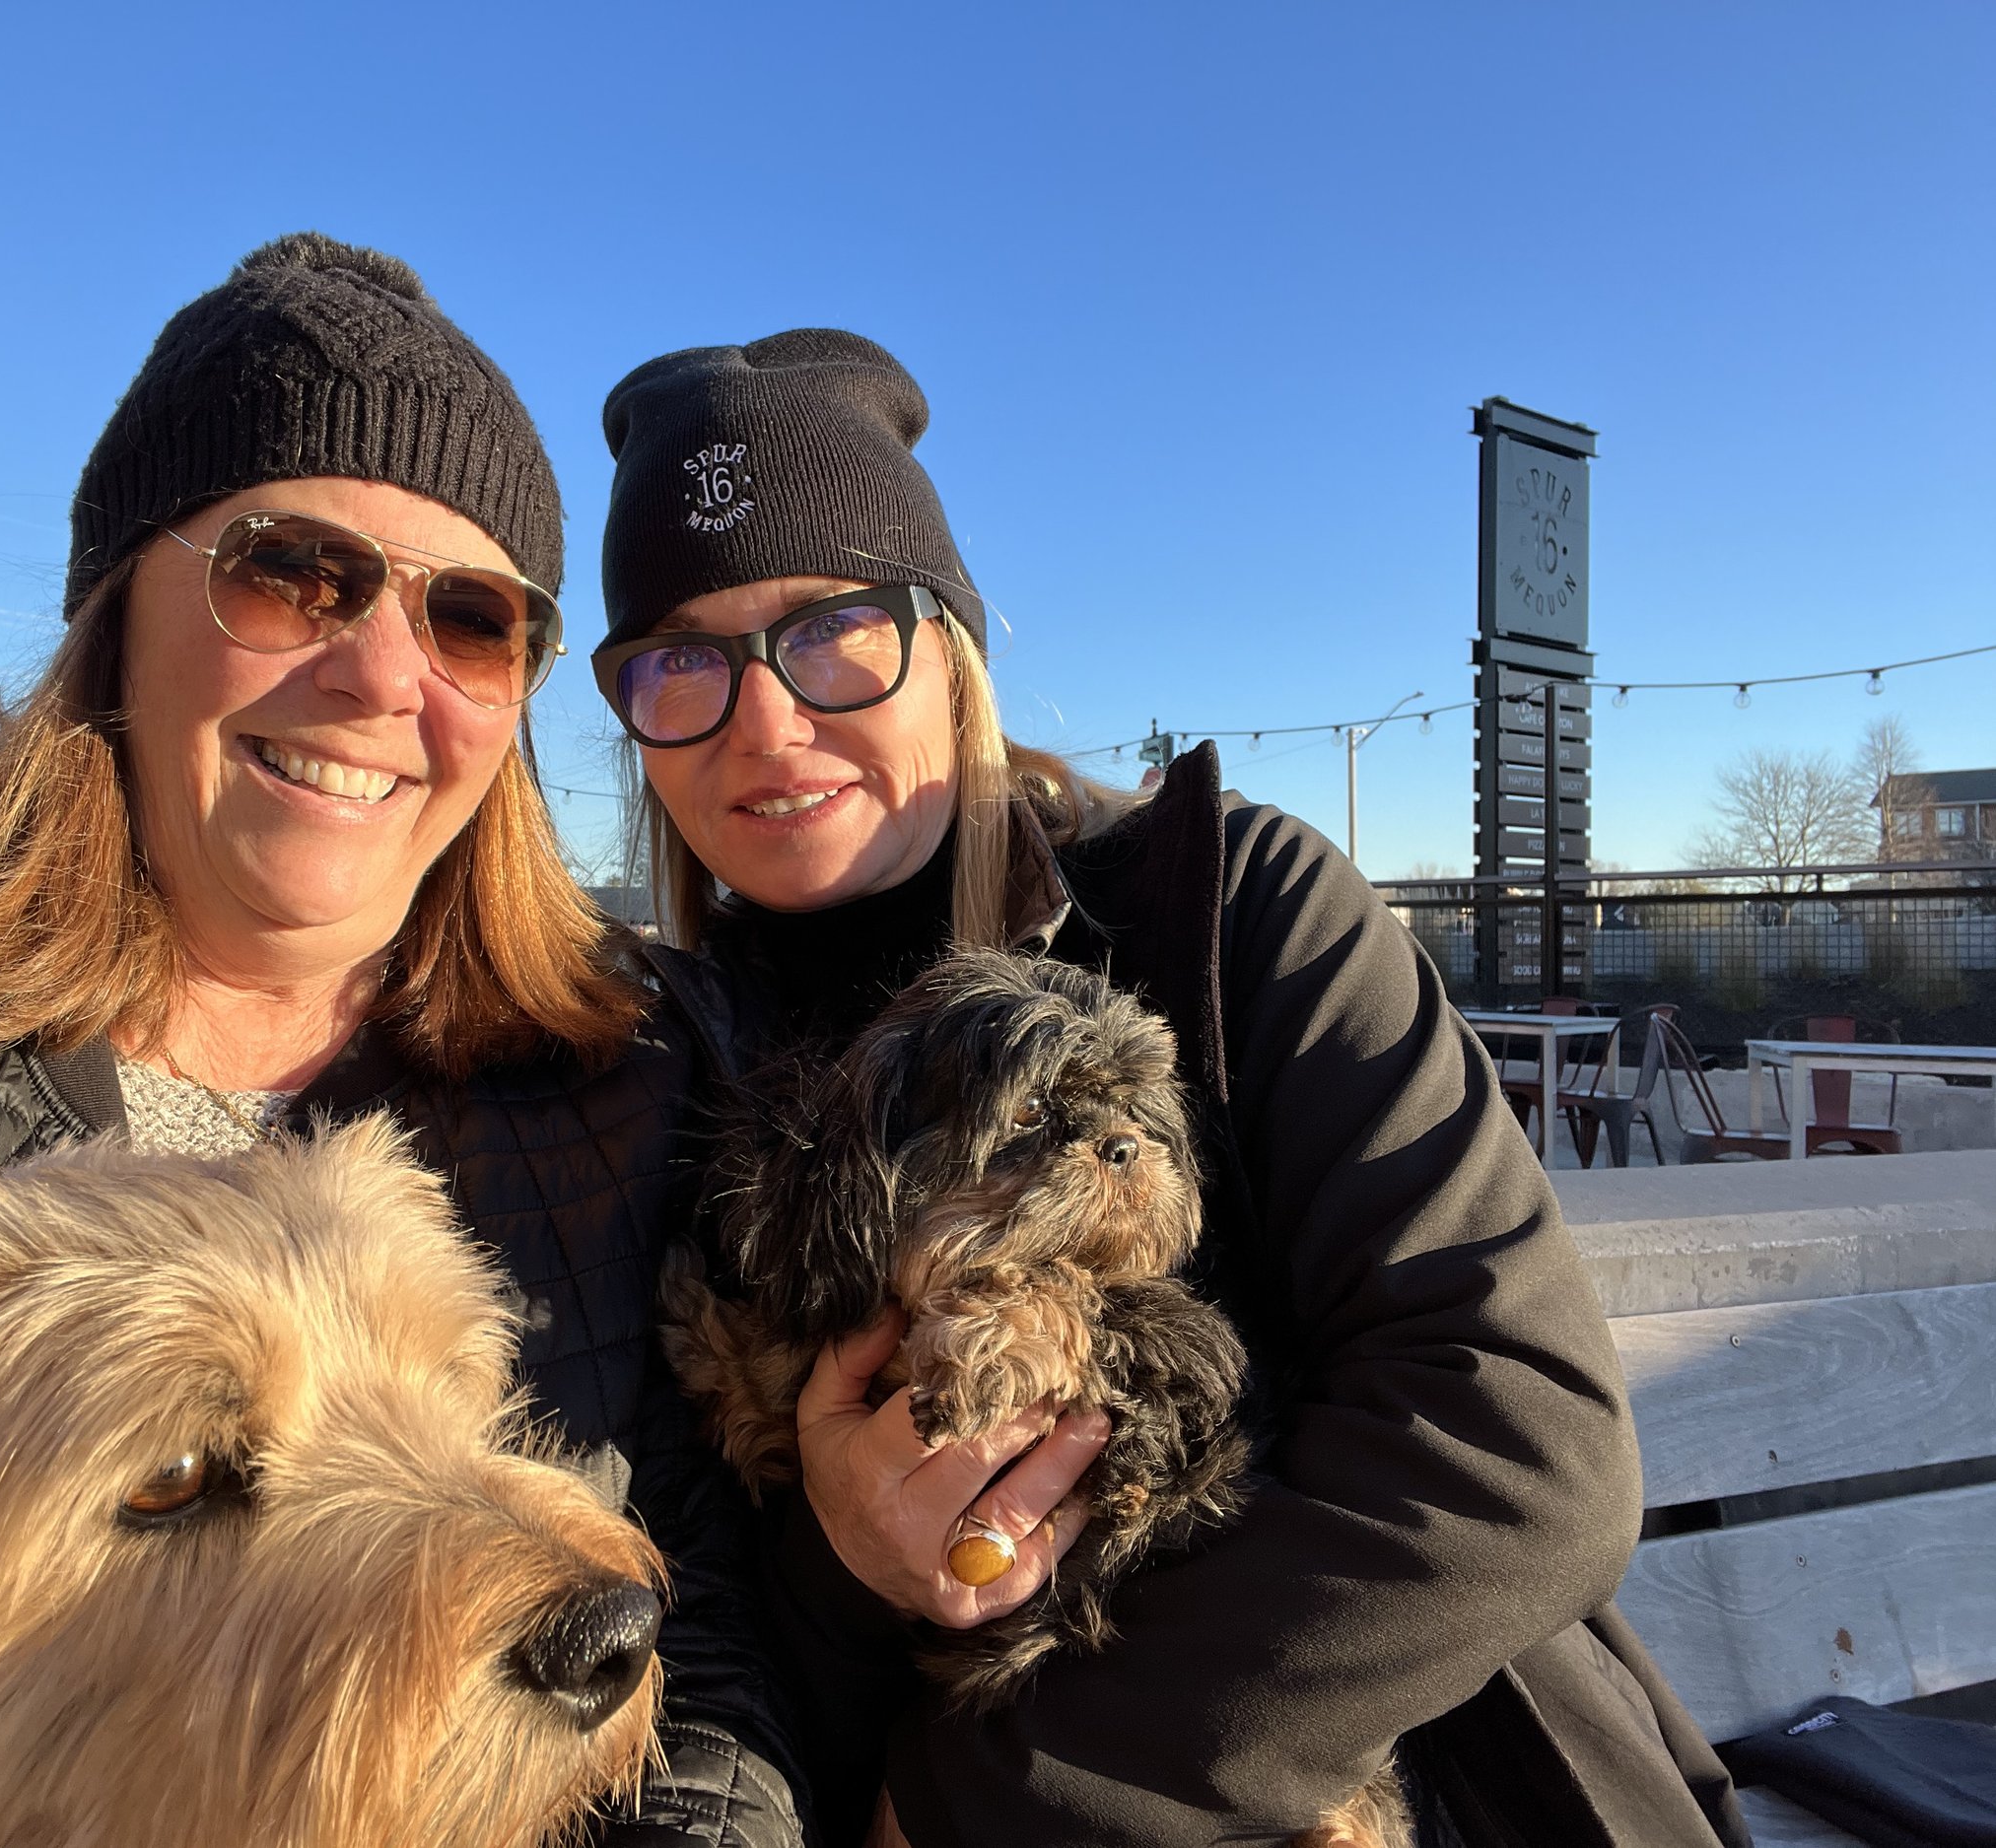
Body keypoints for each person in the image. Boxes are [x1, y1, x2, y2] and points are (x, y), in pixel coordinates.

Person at [0, 236, 803, 1848]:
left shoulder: (616, 1067)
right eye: (295, 573)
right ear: (117, 604)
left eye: (474, 620)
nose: (382, 675)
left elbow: (681, 1638)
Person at [590, 328, 1751, 1848]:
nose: (763, 718)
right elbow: (708, 1599)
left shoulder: (1235, 914)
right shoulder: (652, 1071)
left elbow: (1516, 1452)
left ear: (949, 644)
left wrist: (974, 1810)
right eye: (681, 657)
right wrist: (842, 1569)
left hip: (1449, 1788)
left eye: (833, 627)